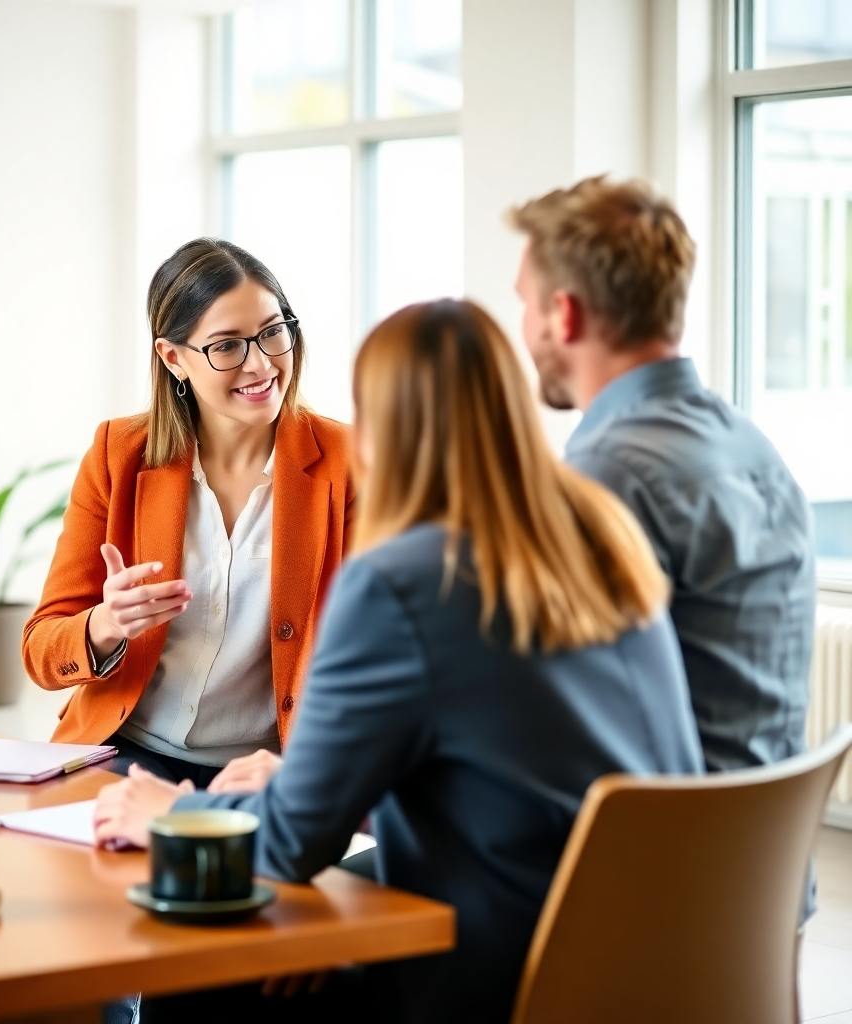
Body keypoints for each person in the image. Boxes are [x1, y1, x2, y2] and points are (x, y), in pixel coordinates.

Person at [94, 299, 704, 1023]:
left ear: (383, 426)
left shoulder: (403, 579)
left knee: (201, 960)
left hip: (497, 970)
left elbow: (291, 845)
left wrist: (178, 810)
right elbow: (503, 758)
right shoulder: (602, 535)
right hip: (645, 954)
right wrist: (301, 781)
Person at [508, 176, 816, 777]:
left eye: (526, 302)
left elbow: (552, 726)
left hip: (657, 855)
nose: (523, 327)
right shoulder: (750, 446)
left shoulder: (610, 474)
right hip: (761, 858)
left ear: (564, 314)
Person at [22, 238, 353, 786]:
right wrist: (107, 625)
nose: (262, 363)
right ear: (173, 357)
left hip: (263, 773)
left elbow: (380, 657)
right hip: (124, 752)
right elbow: (41, 646)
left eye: (274, 331)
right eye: (227, 346)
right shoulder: (117, 454)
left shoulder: (349, 465)